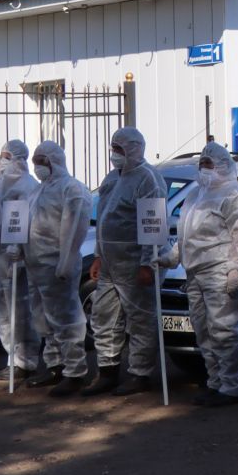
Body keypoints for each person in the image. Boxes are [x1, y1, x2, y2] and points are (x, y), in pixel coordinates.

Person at [161, 142, 238, 407]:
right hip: (195, 273)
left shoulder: (235, 195)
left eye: (209, 164)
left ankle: (233, 386)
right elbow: (185, 233)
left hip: (221, 272)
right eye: (202, 164)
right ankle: (216, 382)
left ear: (223, 166)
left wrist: (237, 269)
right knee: (203, 331)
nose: (204, 169)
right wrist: (171, 257)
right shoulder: (196, 195)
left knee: (224, 331)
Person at [86, 127, 167, 396]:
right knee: (103, 316)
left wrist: (148, 262)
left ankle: (140, 373)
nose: (114, 154)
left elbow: (153, 226)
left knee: (140, 319)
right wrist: (98, 255)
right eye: (113, 148)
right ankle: (107, 370)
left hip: (134, 263)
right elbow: (104, 221)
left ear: (133, 149)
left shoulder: (147, 180)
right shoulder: (112, 178)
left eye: (119, 149)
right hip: (110, 263)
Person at [25, 142, 92, 397]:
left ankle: (75, 371)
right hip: (36, 264)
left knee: (66, 318)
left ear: (54, 161)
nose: (37, 167)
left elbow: (74, 227)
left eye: (41, 161)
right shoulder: (39, 190)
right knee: (43, 318)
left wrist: (66, 261)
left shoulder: (71, 188)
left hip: (56, 264)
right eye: (35, 161)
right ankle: (54, 365)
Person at [0, 139, 43, 381]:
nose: (2, 161)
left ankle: (25, 360)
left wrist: (19, 248)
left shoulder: (28, 185)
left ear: (20, 159)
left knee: (22, 309)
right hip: (0, 255)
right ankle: (12, 355)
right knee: (3, 309)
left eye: (7, 156)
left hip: (19, 257)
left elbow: (32, 220)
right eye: (1, 156)